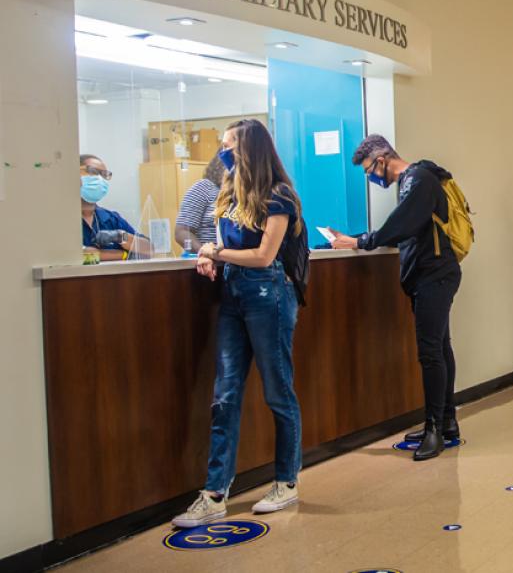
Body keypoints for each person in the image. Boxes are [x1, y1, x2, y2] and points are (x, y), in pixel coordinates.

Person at [172, 119, 304, 528]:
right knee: (224, 395)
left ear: (250, 149)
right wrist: (208, 253)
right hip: (232, 296)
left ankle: (286, 481)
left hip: (269, 296)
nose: (223, 151)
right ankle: (214, 493)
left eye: (230, 144)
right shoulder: (227, 193)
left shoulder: (278, 196)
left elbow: (265, 256)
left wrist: (217, 251)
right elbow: (217, 242)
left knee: (278, 391)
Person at [330, 134, 462, 462]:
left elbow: (400, 225)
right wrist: (367, 239)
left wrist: (363, 241)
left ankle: (435, 429)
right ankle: (446, 422)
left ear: (383, 159)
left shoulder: (418, 179)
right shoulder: (411, 182)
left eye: (368, 170)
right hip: (429, 277)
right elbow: (405, 227)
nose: (370, 177)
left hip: (435, 276)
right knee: (440, 348)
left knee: (431, 353)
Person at [80, 154, 153, 261]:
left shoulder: (110, 218)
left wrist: (120, 236)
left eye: (104, 175)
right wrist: (125, 255)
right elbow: (84, 255)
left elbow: (149, 249)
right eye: (93, 171)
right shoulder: (61, 218)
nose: (100, 179)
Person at [174, 154, 225, 254]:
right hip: (205, 263)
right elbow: (181, 232)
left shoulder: (244, 194)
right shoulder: (204, 188)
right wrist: (205, 253)